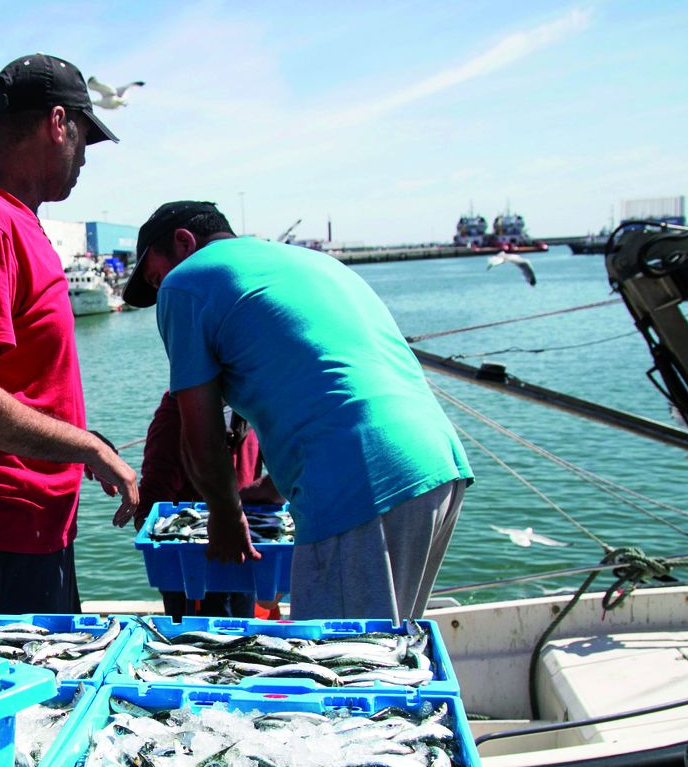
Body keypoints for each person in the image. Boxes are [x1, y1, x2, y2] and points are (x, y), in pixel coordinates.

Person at [123, 201, 472, 622]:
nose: (163, 291)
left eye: (158, 277)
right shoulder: (312, 263)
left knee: (341, 670)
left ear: (183, 242)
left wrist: (225, 513)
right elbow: (332, 383)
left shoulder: (185, 283)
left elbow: (199, 435)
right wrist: (274, 488)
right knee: (386, 655)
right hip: (437, 464)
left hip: (359, 487)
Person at [0, 53, 139, 614]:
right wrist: (87, 447)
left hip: (26, 525)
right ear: (57, 123)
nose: (85, 158)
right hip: (0, 524)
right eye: (84, 138)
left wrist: (83, 447)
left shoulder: (11, 218)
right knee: (33, 698)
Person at [134, 392, 278, 620]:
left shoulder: (253, 404)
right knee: (197, 648)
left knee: (242, 642)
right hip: (195, 573)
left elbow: (278, 472)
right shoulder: (176, 415)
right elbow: (151, 502)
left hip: (243, 558)